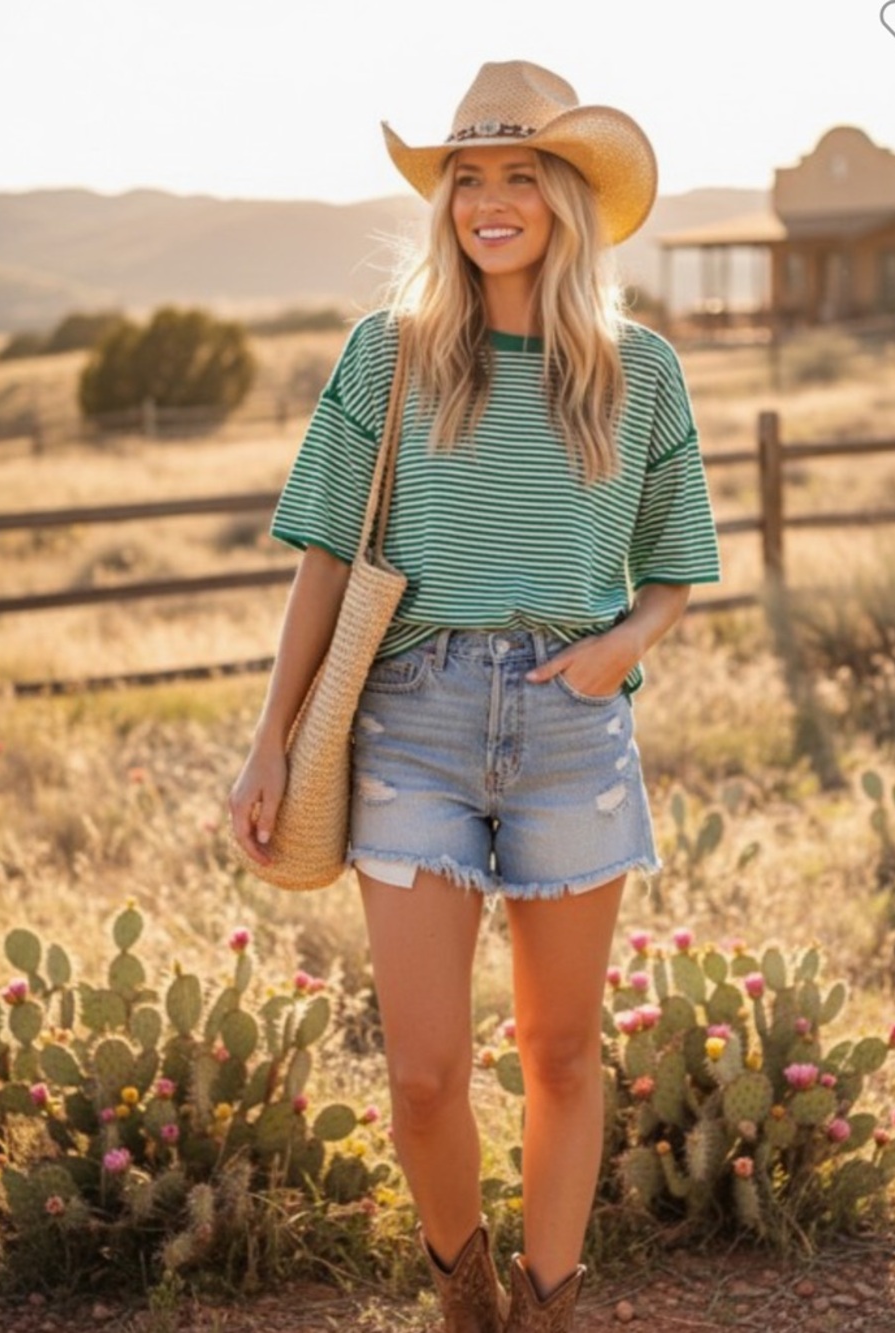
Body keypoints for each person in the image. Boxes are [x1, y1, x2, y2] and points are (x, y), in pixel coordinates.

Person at [229, 60, 720, 1333]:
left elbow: (675, 572)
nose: (488, 202)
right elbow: (324, 560)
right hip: (413, 722)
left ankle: (549, 1311)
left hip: (572, 723)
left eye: (517, 176)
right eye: (466, 178)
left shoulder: (640, 370)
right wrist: (268, 744)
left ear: (566, 198)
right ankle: (467, 1290)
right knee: (425, 1072)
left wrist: (624, 646)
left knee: (559, 1053)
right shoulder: (388, 357)